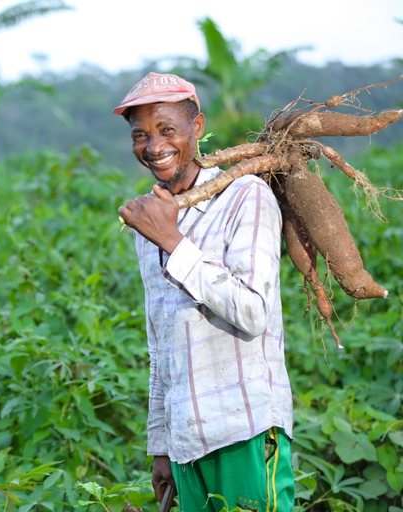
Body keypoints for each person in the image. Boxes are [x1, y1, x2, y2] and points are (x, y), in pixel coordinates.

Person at [115, 72, 295, 512]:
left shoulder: (245, 196)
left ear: (196, 129)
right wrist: (162, 443)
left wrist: (173, 242)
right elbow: (161, 342)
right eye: (141, 135)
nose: (154, 147)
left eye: (167, 130)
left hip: (243, 428)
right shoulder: (148, 218)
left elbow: (254, 311)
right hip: (185, 441)